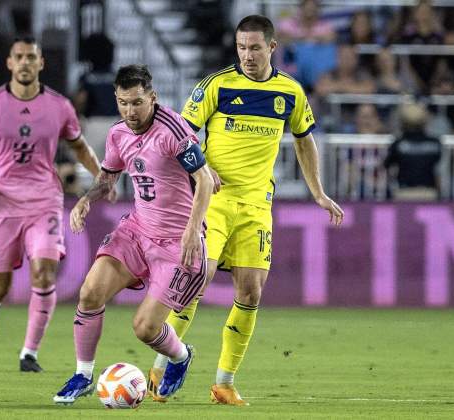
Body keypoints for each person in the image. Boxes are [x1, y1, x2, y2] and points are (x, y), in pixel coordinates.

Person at [147, 15, 345, 406]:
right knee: (195, 280)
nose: (248, 55)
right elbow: (180, 137)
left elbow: (305, 141)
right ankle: (162, 364)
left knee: (251, 292)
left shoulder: (290, 92)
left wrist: (318, 192)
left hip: (257, 205)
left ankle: (223, 382)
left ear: (272, 48)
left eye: (255, 48)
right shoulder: (216, 86)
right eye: (241, 47)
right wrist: (201, 170)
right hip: (214, 201)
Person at [53, 65, 214, 404]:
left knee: (144, 329)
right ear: (116, 99)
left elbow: (206, 180)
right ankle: (83, 375)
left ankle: (181, 356)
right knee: (90, 293)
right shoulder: (117, 134)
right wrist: (85, 199)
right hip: (138, 230)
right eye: (123, 103)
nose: (130, 111)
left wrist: (191, 231)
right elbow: (108, 179)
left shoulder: (173, 129)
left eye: (138, 103)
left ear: (152, 98)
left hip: (177, 242)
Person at [0, 36, 101, 373]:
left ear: (40, 64)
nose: (24, 63)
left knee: (44, 270)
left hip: (43, 201)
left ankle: (29, 353)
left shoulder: (59, 106)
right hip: (1, 203)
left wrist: (103, 177)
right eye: (19, 57)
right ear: (9, 63)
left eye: (31, 57)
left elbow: (78, 146)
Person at [384, 103, 442, 201]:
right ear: (425, 121)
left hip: (404, 192)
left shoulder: (398, 144)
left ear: (403, 122)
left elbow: (387, 165)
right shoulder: (435, 143)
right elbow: (440, 169)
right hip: (428, 192)